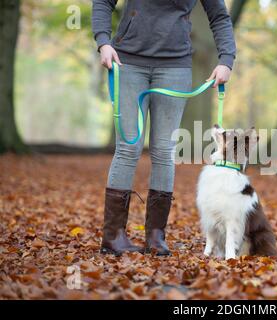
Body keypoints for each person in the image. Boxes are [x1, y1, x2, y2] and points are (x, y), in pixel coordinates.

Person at [91, 0, 236, 256]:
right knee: (128, 148)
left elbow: (220, 17)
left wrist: (226, 59)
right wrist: (103, 42)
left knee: (164, 150)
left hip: (174, 66)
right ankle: (113, 237)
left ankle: (156, 237)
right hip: (127, 62)